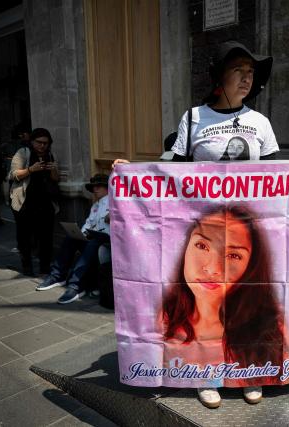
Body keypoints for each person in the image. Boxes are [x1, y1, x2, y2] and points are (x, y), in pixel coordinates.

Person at [113, 40, 279, 407]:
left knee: (243, 299)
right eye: (239, 70)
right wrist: (132, 172)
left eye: (251, 72)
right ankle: (205, 374)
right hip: (201, 224)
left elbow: (278, 176)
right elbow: (167, 166)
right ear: (219, 76)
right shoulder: (193, 119)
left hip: (244, 230)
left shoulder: (260, 123)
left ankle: (247, 372)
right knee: (202, 301)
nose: (247, 78)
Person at [161, 205, 285, 407]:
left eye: (233, 255)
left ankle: (255, 375)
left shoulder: (272, 323)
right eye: (202, 246)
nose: (212, 269)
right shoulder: (163, 319)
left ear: (250, 266)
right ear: (185, 246)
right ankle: (205, 380)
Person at [37, 174, 110, 304]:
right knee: (72, 237)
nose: (95, 189)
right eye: (93, 187)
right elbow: (88, 224)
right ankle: (57, 276)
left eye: (98, 186)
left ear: (107, 187)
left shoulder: (118, 203)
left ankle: (76, 285)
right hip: (92, 239)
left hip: (107, 243)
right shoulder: (95, 206)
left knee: (93, 243)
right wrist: (80, 235)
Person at [9, 128, 60, 276]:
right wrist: (31, 169)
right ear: (32, 141)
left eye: (46, 143)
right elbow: (13, 175)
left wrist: (54, 170)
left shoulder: (51, 155)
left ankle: (44, 267)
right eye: (39, 142)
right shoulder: (23, 153)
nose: (42, 146)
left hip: (46, 202)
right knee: (24, 236)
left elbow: (56, 180)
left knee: (46, 237)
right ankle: (27, 267)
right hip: (25, 202)